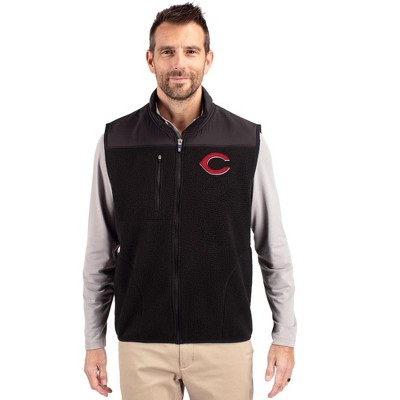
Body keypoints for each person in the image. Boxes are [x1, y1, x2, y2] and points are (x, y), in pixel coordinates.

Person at [83, 3, 296, 399]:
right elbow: (100, 253)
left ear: (208, 59)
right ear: (151, 60)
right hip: (142, 346)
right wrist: (94, 340)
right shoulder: (116, 143)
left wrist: (285, 335)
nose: (179, 63)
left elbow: (272, 247)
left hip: (225, 345)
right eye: (168, 51)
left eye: (191, 51)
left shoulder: (245, 142)